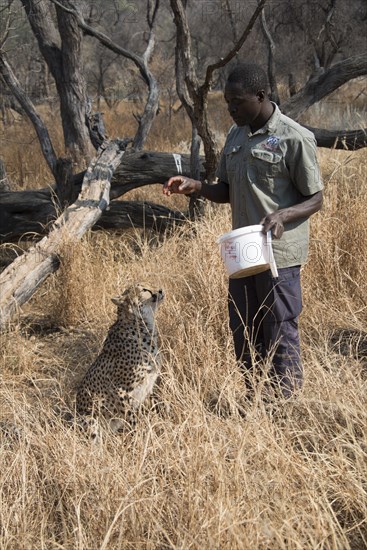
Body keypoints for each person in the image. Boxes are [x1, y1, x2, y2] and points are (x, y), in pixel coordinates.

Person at [163, 63, 323, 399]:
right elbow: (226, 190)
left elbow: (315, 198)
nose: (232, 109)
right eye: (227, 104)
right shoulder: (236, 136)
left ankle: (284, 406)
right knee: (245, 330)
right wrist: (195, 186)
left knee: (279, 328)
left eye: (237, 102)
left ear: (261, 96)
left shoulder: (295, 138)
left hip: (278, 255)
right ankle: (254, 399)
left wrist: (283, 214)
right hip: (243, 250)